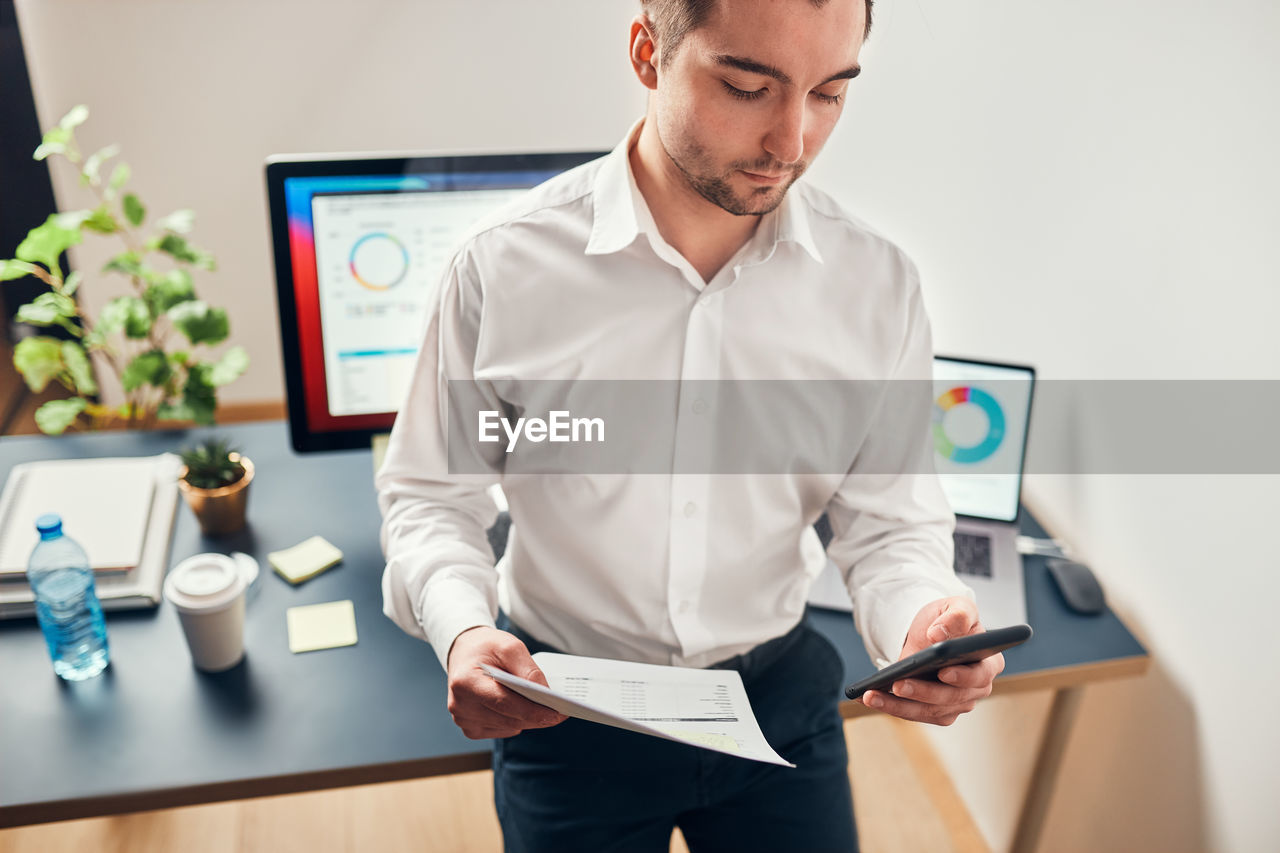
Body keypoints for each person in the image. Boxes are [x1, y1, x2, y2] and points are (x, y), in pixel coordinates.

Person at [377, 0, 1005, 849]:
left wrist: (925, 625)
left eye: (830, 93)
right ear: (647, 52)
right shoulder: (502, 267)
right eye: (749, 86)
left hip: (776, 700)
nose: (792, 143)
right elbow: (429, 495)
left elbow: (891, 527)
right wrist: (463, 627)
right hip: (567, 708)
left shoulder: (877, 287)